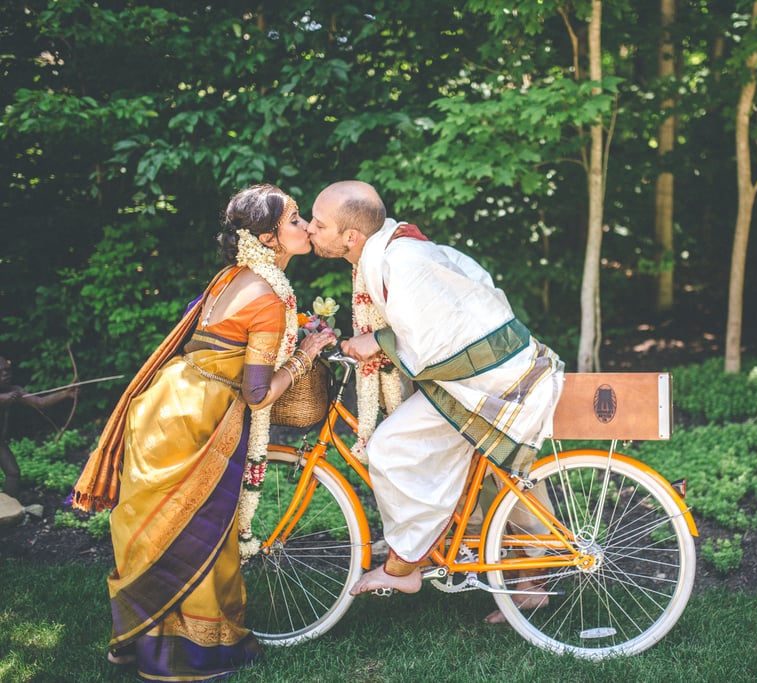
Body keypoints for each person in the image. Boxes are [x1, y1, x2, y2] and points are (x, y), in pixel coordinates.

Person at [70, 184, 336, 681]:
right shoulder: (269, 296)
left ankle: (132, 643)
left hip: (165, 404)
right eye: (296, 219)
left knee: (156, 533)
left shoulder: (231, 277)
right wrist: (306, 356)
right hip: (197, 418)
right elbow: (259, 393)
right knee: (198, 531)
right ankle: (187, 655)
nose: (306, 228)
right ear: (267, 236)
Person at [305, 180, 565, 601]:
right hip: (482, 377)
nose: (310, 230)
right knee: (493, 476)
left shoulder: (403, 259)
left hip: (487, 383)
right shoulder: (392, 251)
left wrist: (380, 341)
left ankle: (406, 564)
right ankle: (523, 576)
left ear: (350, 237)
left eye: (318, 224)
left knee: (390, 447)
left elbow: (437, 332)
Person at [0, 355, 77, 497]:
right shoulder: (8, 394)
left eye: (8, 371)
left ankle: (8, 507)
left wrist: (65, 393)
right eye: (1, 372)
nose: (6, 374)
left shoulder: (14, 390)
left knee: (13, 472)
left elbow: (39, 402)